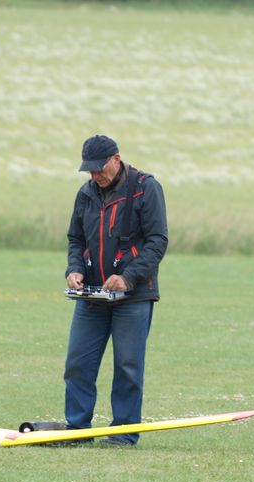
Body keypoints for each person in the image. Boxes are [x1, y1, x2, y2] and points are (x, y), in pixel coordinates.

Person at [63, 135, 168, 446]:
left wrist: (127, 277)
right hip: (92, 297)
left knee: (127, 366)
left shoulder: (146, 188)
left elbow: (157, 241)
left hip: (133, 296)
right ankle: (78, 430)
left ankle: (122, 434)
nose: (96, 176)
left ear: (116, 159)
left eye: (100, 169)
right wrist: (74, 269)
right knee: (78, 364)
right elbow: (75, 240)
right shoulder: (85, 194)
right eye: (90, 171)